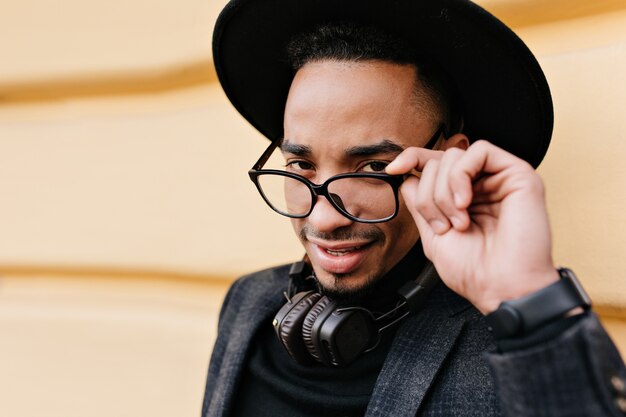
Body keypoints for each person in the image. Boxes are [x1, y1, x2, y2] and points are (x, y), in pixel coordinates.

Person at [203, 0, 626, 416]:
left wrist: (524, 296)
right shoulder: (249, 302)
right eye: (301, 165)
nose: (323, 219)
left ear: (449, 159)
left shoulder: (509, 345)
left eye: (373, 168)